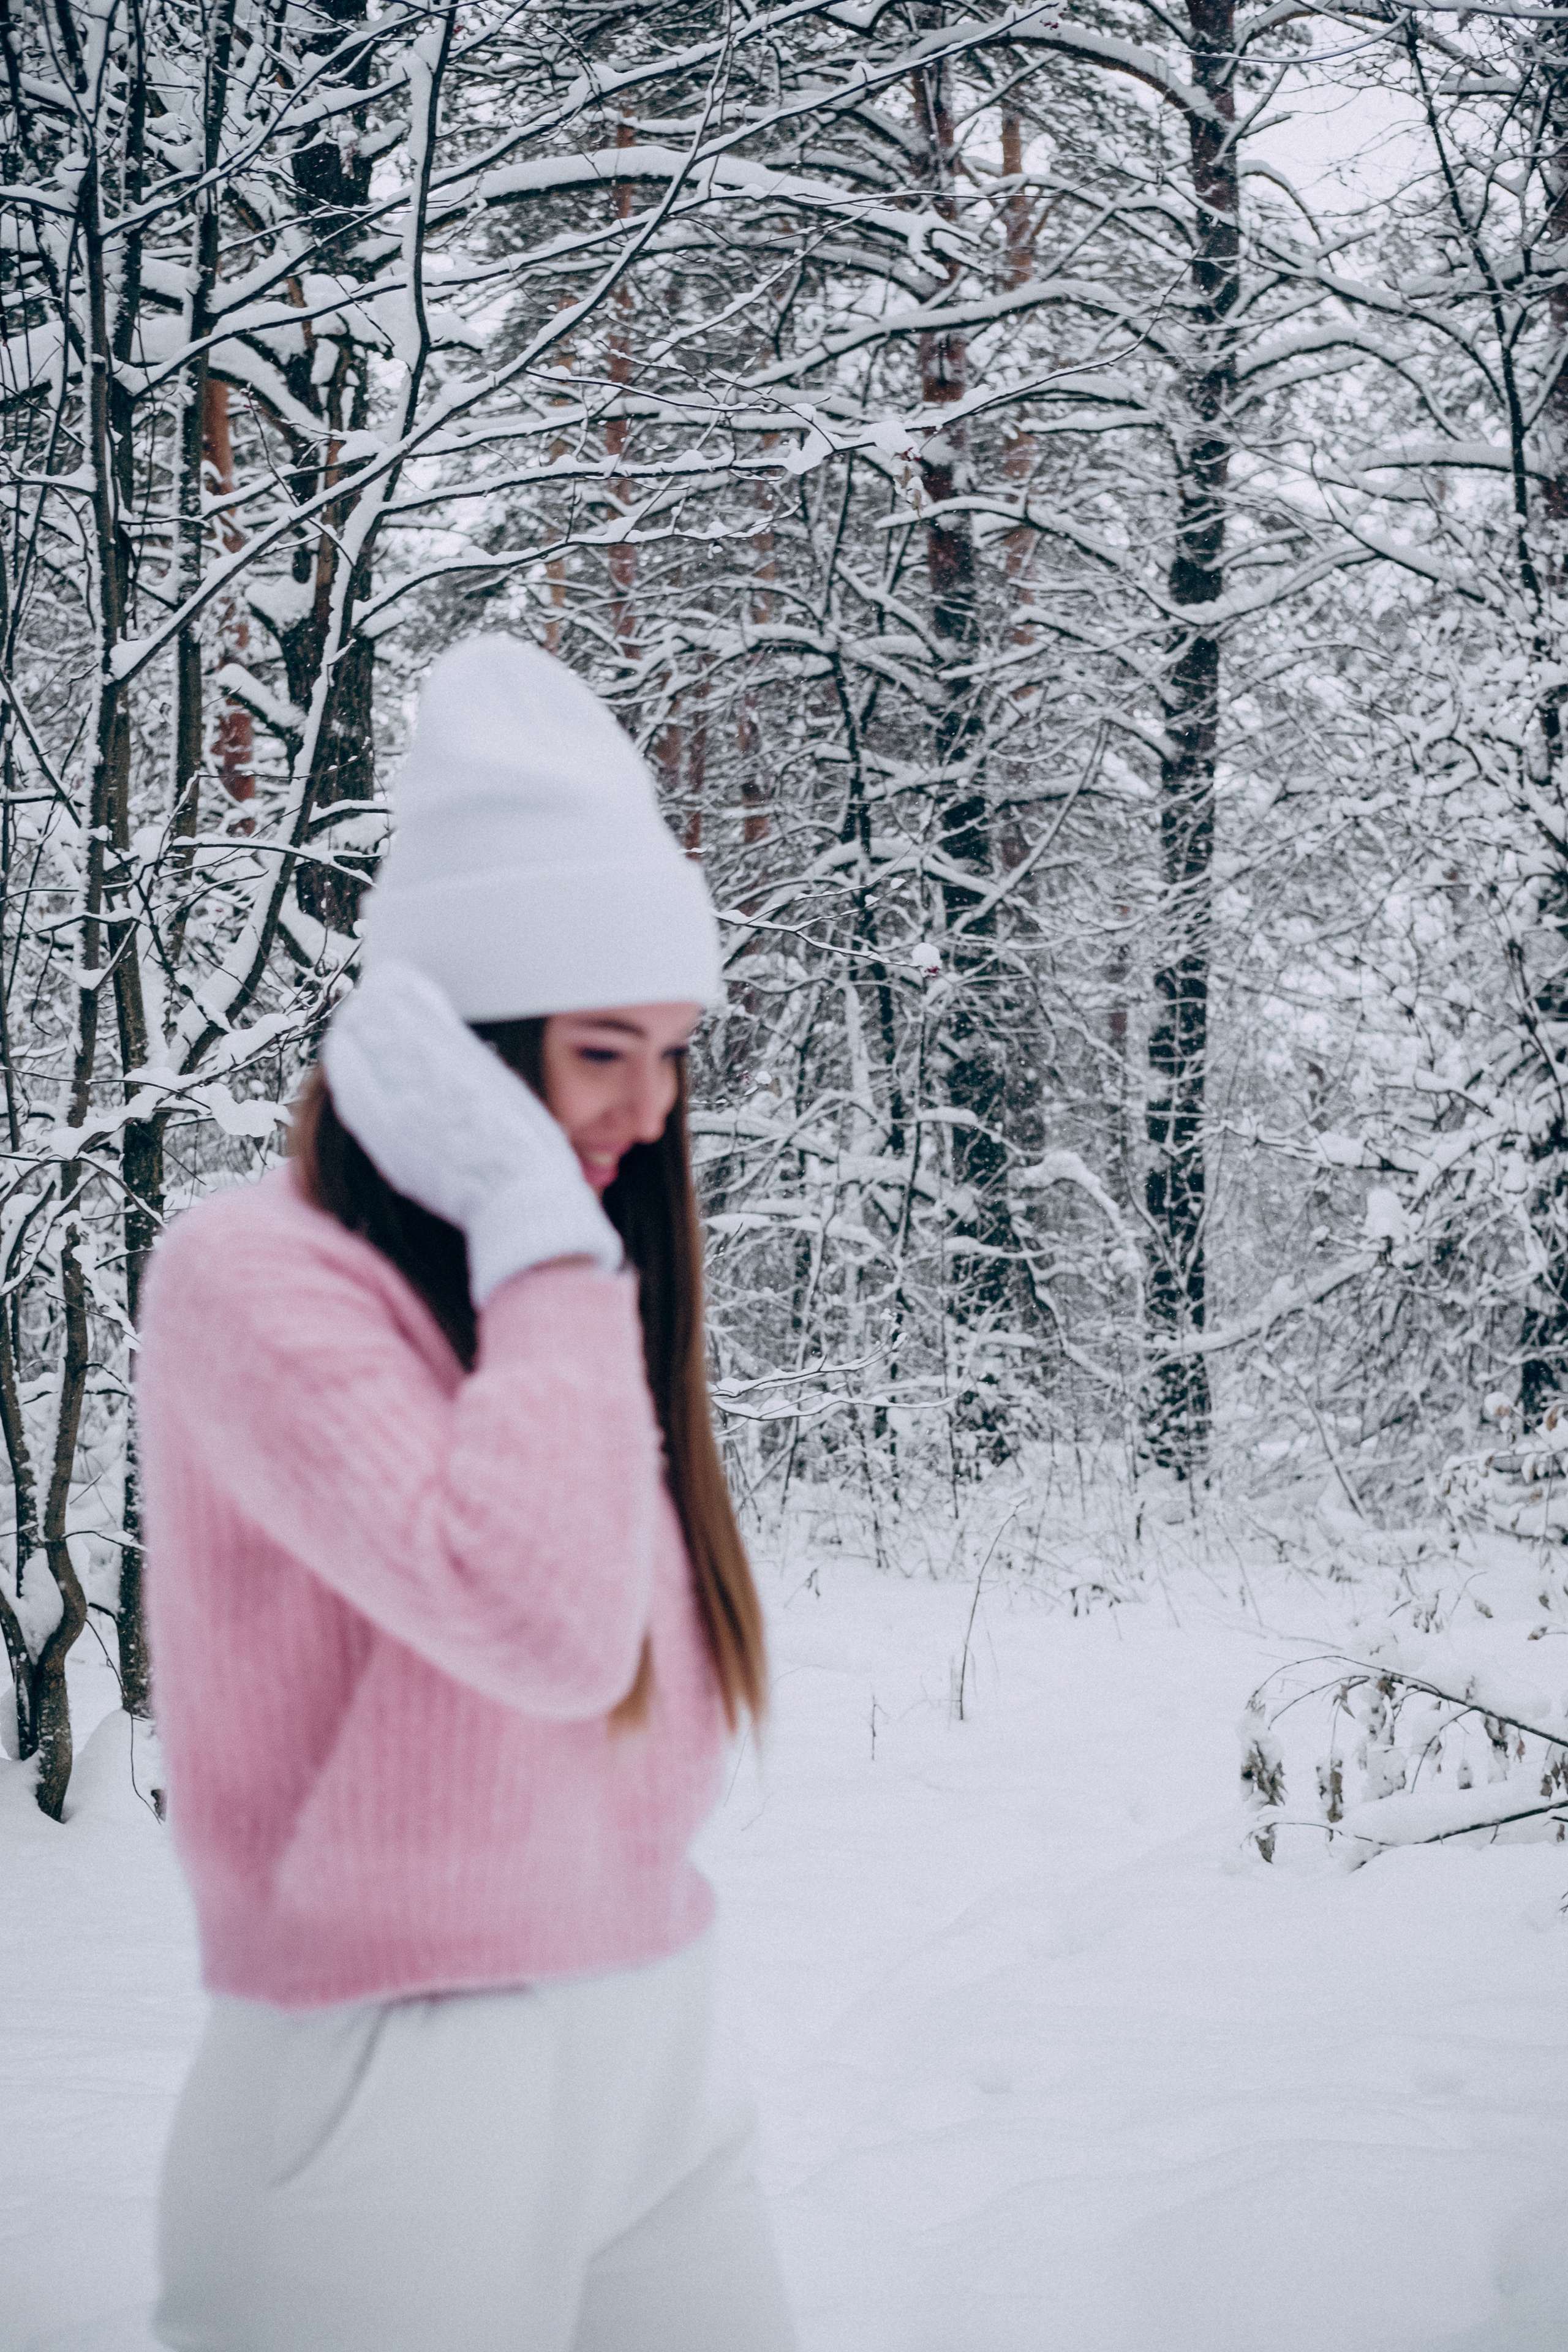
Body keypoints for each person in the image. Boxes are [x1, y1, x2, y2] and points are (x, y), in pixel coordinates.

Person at [137, 639, 799, 2352]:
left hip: (650, 2037)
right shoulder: (253, 1281)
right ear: (466, 1052)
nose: (653, 1111)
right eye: (602, 1051)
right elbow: (545, 1627)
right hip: (395, 2077)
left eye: (673, 1052)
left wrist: (547, 1256)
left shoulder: (546, 1308)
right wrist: (538, 1226)